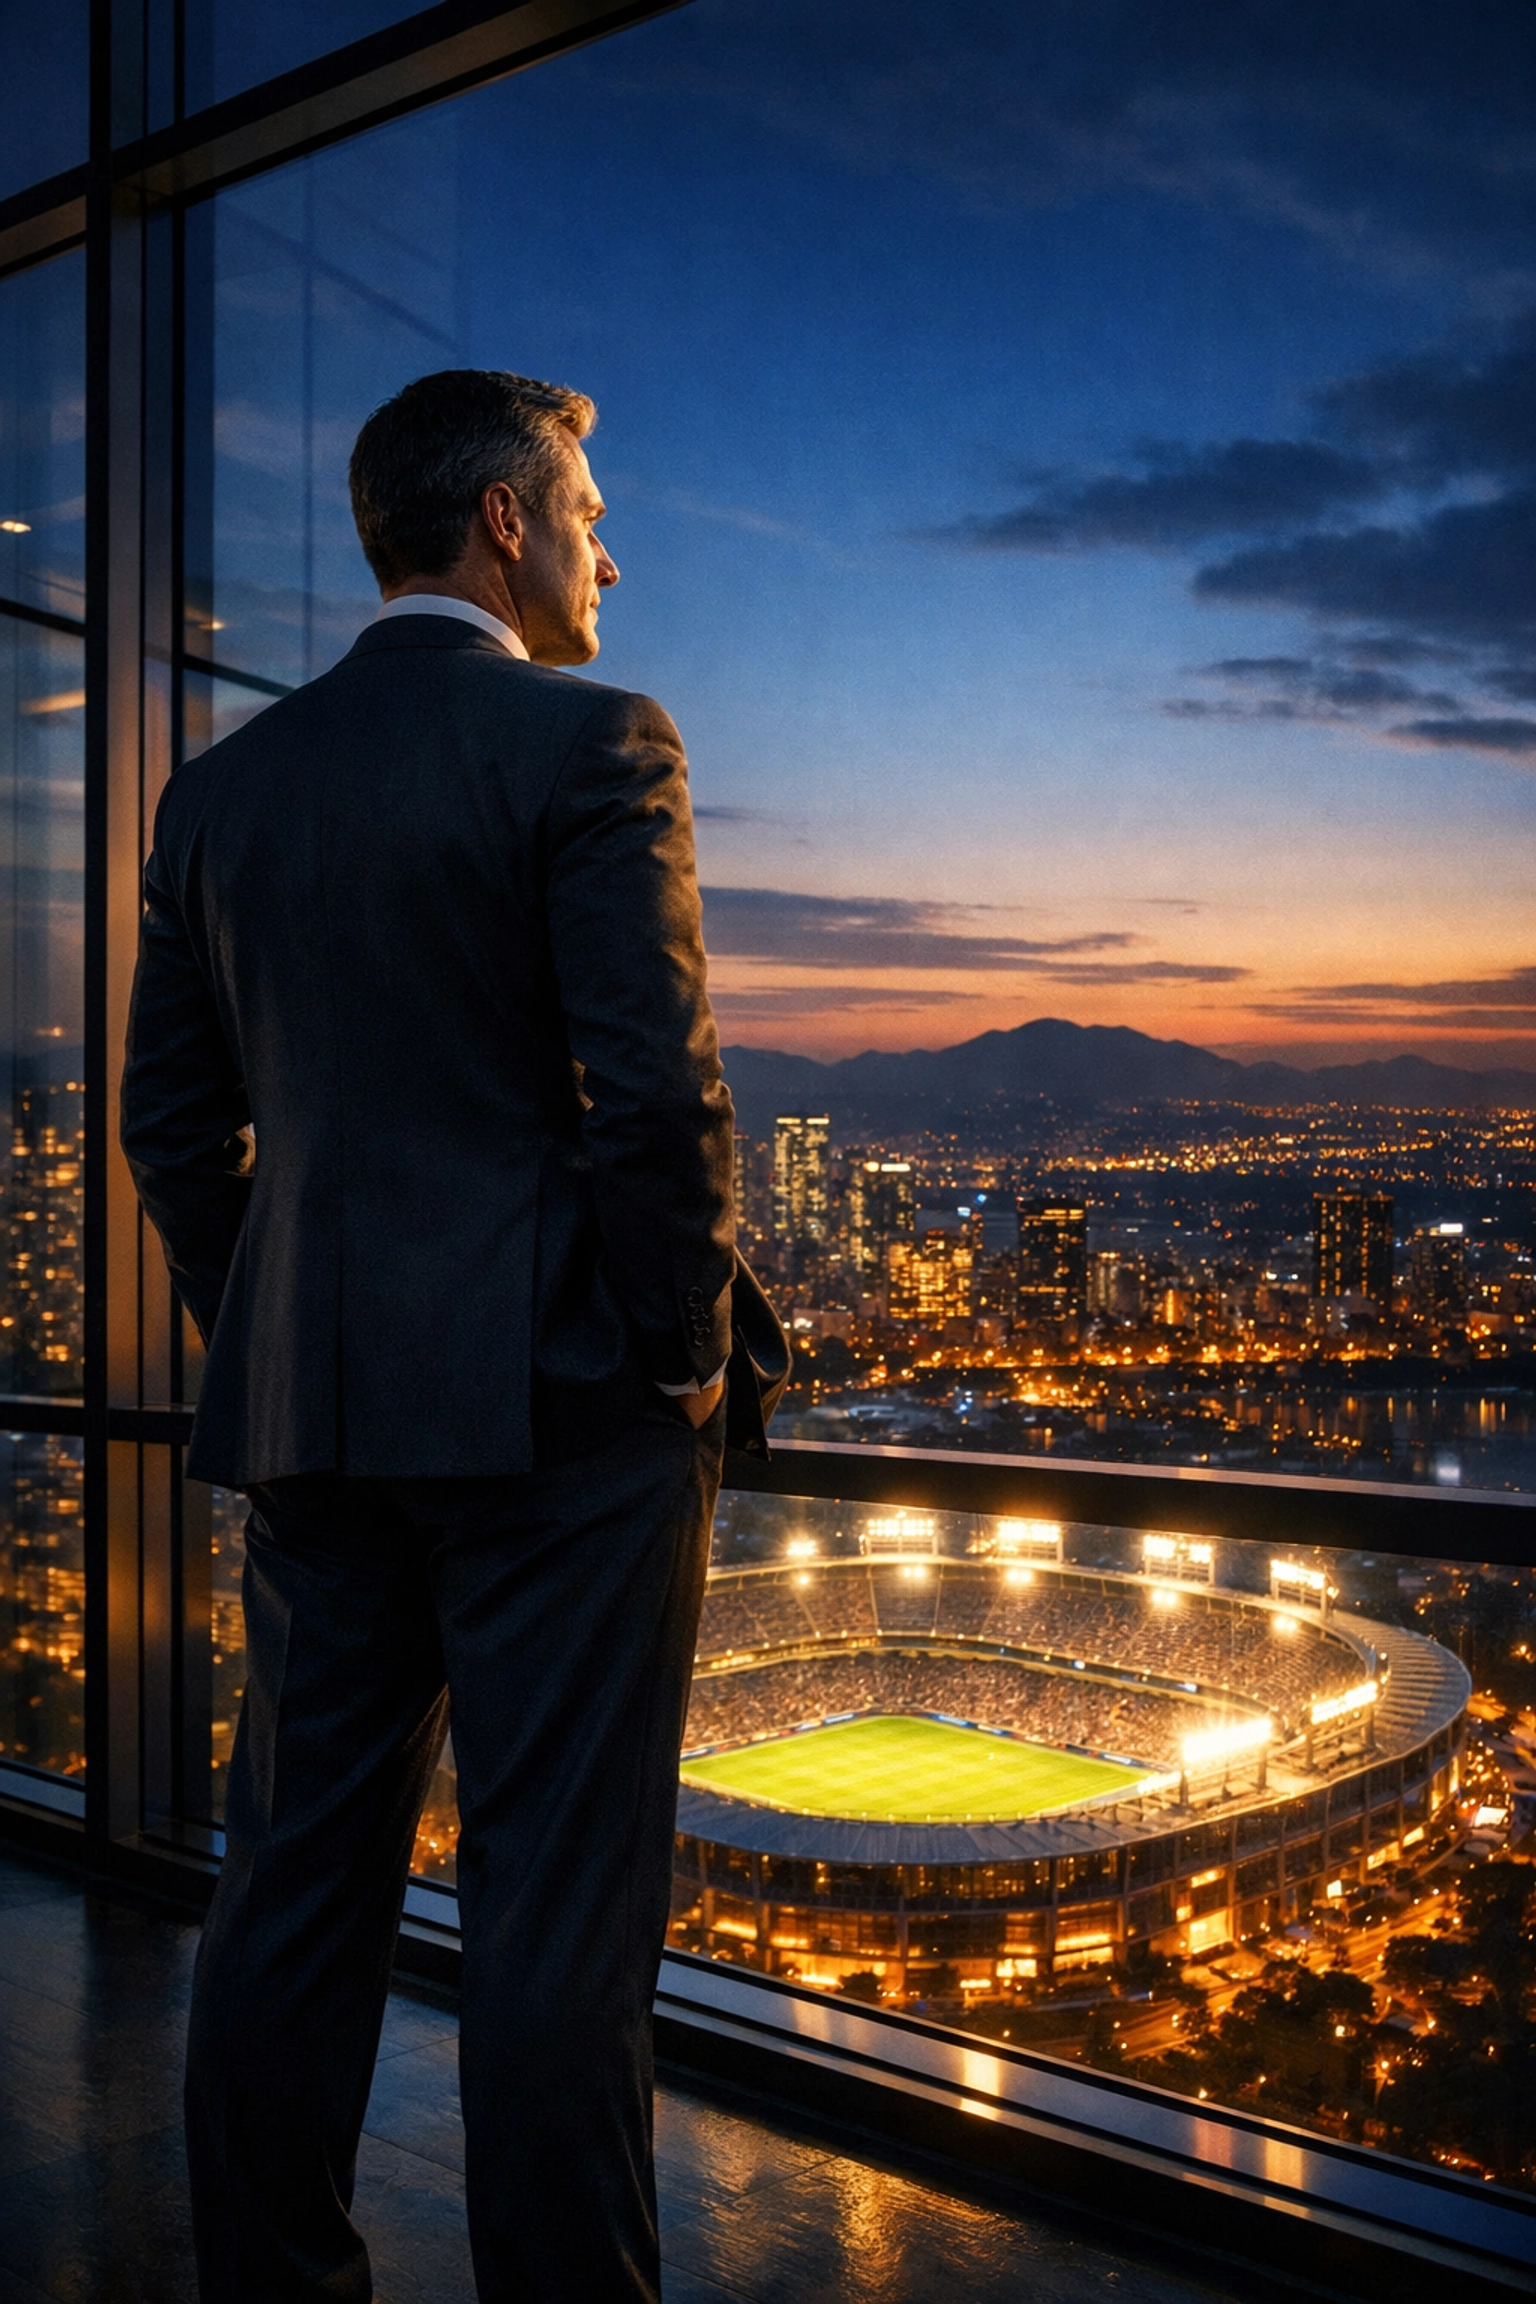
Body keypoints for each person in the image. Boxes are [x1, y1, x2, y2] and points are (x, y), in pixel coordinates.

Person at [121, 368, 780, 2303]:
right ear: (504, 521)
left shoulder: (222, 789)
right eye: (585, 502)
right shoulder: (592, 740)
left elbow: (175, 1127)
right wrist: (670, 1352)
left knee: (291, 1893)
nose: (607, 542)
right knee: (556, 1932)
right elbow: (662, 1105)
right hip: (563, 1429)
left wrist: (293, 1315)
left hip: (318, 1422)